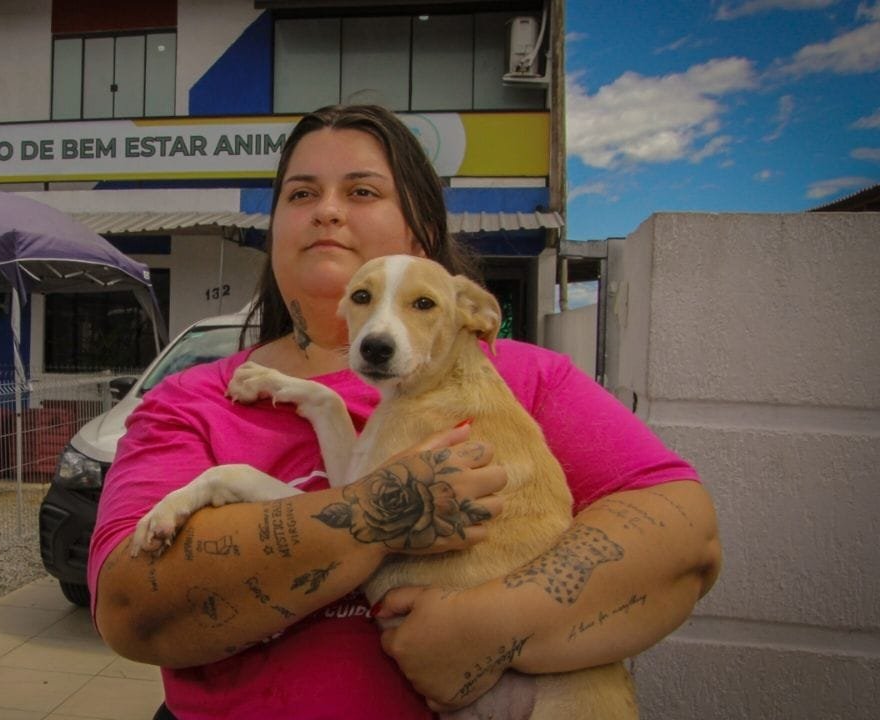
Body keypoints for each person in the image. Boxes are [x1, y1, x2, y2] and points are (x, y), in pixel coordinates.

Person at [89, 104, 721, 719]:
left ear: (419, 235)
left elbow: (688, 536)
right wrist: (374, 513)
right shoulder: (189, 399)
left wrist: (486, 625)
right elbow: (127, 609)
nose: (328, 210)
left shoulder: (522, 375)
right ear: (274, 228)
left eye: (362, 192)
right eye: (301, 195)